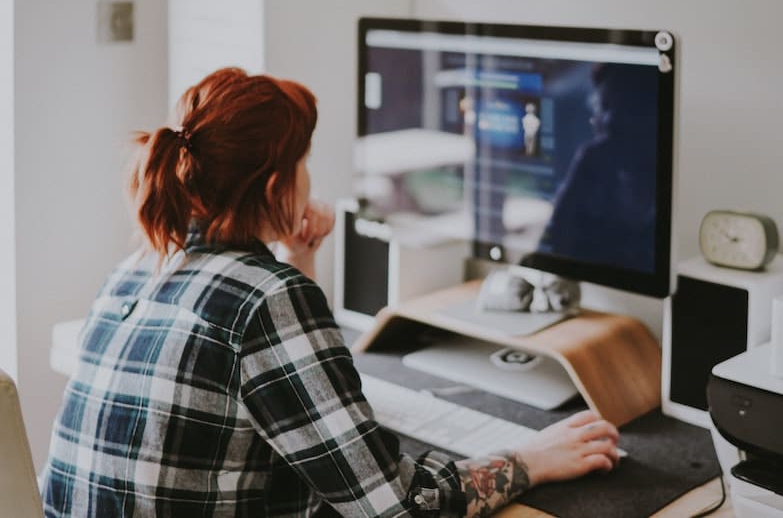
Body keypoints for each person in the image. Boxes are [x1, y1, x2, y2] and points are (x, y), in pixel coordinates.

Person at [41, 67, 620, 518]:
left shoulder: (141, 263)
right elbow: (394, 505)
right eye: (305, 162)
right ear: (277, 185)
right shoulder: (266, 298)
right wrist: (532, 460)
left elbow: (285, 390)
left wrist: (300, 259)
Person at [538, 63, 658, 274]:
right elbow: (552, 249)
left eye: (626, 107)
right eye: (604, 106)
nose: (611, 120)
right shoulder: (592, 166)